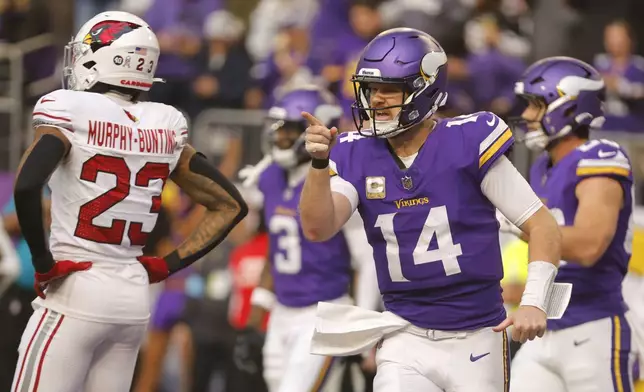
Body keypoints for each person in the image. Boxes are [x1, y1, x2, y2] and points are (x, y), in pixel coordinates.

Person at [299, 28, 564, 392]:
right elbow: (318, 227)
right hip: (404, 335)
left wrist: (536, 302)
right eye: (371, 89)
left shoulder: (467, 142)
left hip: (478, 336)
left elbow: (542, 225)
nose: (375, 99)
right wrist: (317, 165)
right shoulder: (354, 152)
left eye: (389, 88)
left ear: (424, 88)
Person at [10, 11, 247, 392]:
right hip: (132, 298)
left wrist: (42, 262)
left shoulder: (69, 110)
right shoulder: (165, 124)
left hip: (76, 285)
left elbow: (25, 185)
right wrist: (167, 265)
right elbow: (231, 205)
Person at [236, 85, 379, 392]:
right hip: (282, 312)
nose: (281, 137)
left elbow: (366, 263)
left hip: (324, 312)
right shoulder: (271, 176)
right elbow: (275, 252)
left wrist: (361, 328)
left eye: (290, 130)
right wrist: (255, 316)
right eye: (278, 129)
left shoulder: (338, 179)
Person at [507, 56, 637, 392]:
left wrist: (513, 222)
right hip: (544, 326)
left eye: (536, 105)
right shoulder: (541, 168)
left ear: (568, 107)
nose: (526, 115)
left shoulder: (601, 157)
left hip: (592, 327)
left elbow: (588, 246)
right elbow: (549, 246)